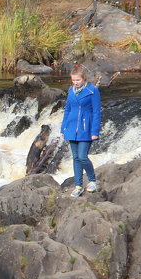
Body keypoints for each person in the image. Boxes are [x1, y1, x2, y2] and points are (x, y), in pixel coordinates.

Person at [60, 64, 101, 197]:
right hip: (71, 128)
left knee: (83, 156)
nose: (75, 83)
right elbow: (68, 110)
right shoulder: (71, 91)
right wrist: (63, 128)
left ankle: (92, 181)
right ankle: (78, 186)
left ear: (84, 79)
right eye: (73, 80)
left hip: (86, 129)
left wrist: (94, 131)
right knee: (76, 158)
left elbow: (96, 112)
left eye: (78, 80)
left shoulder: (93, 91)